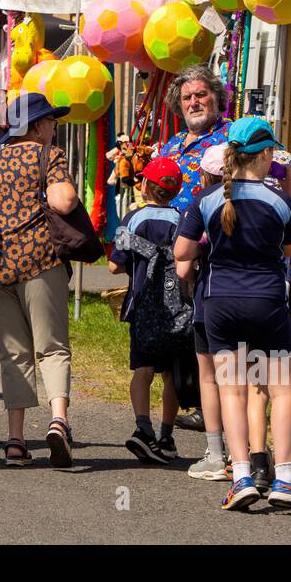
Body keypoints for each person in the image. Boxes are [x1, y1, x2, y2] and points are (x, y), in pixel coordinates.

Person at [174, 116, 291, 512]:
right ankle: (287, 478)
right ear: (262, 155)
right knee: (282, 389)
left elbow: (182, 253)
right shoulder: (279, 201)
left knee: (233, 389)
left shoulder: (206, 201)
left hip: (219, 303)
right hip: (266, 301)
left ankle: (241, 474)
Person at [0, 92, 80, 468]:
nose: (55, 128)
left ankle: (14, 441)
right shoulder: (48, 156)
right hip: (41, 263)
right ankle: (58, 420)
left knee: (14, 355)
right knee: (53, 347)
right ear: (39, 125)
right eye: (52, 122)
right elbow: (65, 202)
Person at [109, 156, 184, 464]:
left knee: (143, 370)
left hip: (143, 307)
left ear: (146, 187)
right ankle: (167, 436)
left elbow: (114, 265)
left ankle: (143, 429)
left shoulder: (133, 219)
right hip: (177, 309)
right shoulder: (182, 219)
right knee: (171, 375)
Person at [180, 142, 232, 480]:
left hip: (210, 299)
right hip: (259, 300)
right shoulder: (261, 200)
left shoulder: (202, 204)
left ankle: (216, 453)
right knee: (248, 380)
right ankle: (254, 451)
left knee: (210, 378)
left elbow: (183, 263)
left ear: (203, 176)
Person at [160, 64, 232, 211]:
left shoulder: (233, 134)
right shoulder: (173, 142)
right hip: (167, 229)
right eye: (187, 98)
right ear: (179, 105)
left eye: (200, 95)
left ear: (216, 98)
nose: (193, 103)